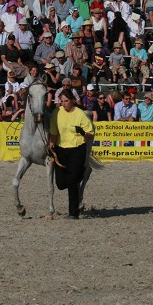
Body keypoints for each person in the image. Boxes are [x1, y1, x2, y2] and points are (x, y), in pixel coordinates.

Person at [48, 90, 95, 219]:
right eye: (61, 101)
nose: (64, 104)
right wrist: (51, 143)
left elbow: (90, 133)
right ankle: (81, 172)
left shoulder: (80, 114)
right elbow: (53, 131)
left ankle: (73, 213)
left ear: (72, 100)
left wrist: (84, 133)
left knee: (72, 181)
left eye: (66, 101)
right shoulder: (56, 113)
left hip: (77, 148)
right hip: (61, 149)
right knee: (61, 183)